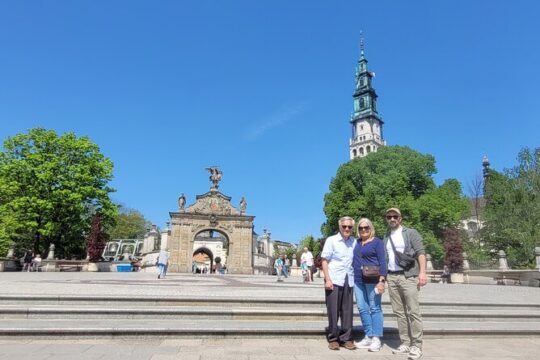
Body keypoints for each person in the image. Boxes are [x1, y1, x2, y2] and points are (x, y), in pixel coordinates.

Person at [383, 208, 427, 360]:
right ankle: (405, 342)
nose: (392, 219)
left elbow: (421, 252)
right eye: (389, 217)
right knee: (399, 312)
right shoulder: (386, 236)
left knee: (413, 311)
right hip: (392, 277)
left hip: (408, 277)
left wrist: (422, 273)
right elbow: (385, 258)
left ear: (400, 218)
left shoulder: (410, 232)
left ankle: (417, 345)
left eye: (395, 216)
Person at [321, 216, 356, 351]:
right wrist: (327, 279)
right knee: (333, 309)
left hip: (349, 278)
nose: (347, 229)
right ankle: (334, 338)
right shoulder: (332, 240)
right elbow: (325, 260)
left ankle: (346, 338)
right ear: (339, 226)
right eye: (344, 226)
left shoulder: (354, 242)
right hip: (334, 278)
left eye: (349, 227)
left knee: (347, 311)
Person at [353, 217, 387, 352]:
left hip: (373, 280)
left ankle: (376, 338)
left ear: (371, 228)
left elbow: (383, 262)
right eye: (361, 228)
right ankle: (368, 335)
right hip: (358, 280)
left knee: (375, 308)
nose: (363, 230)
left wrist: (382, 281)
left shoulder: (377, 242)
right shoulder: (356, 243)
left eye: (366, 227)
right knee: (362, 308)